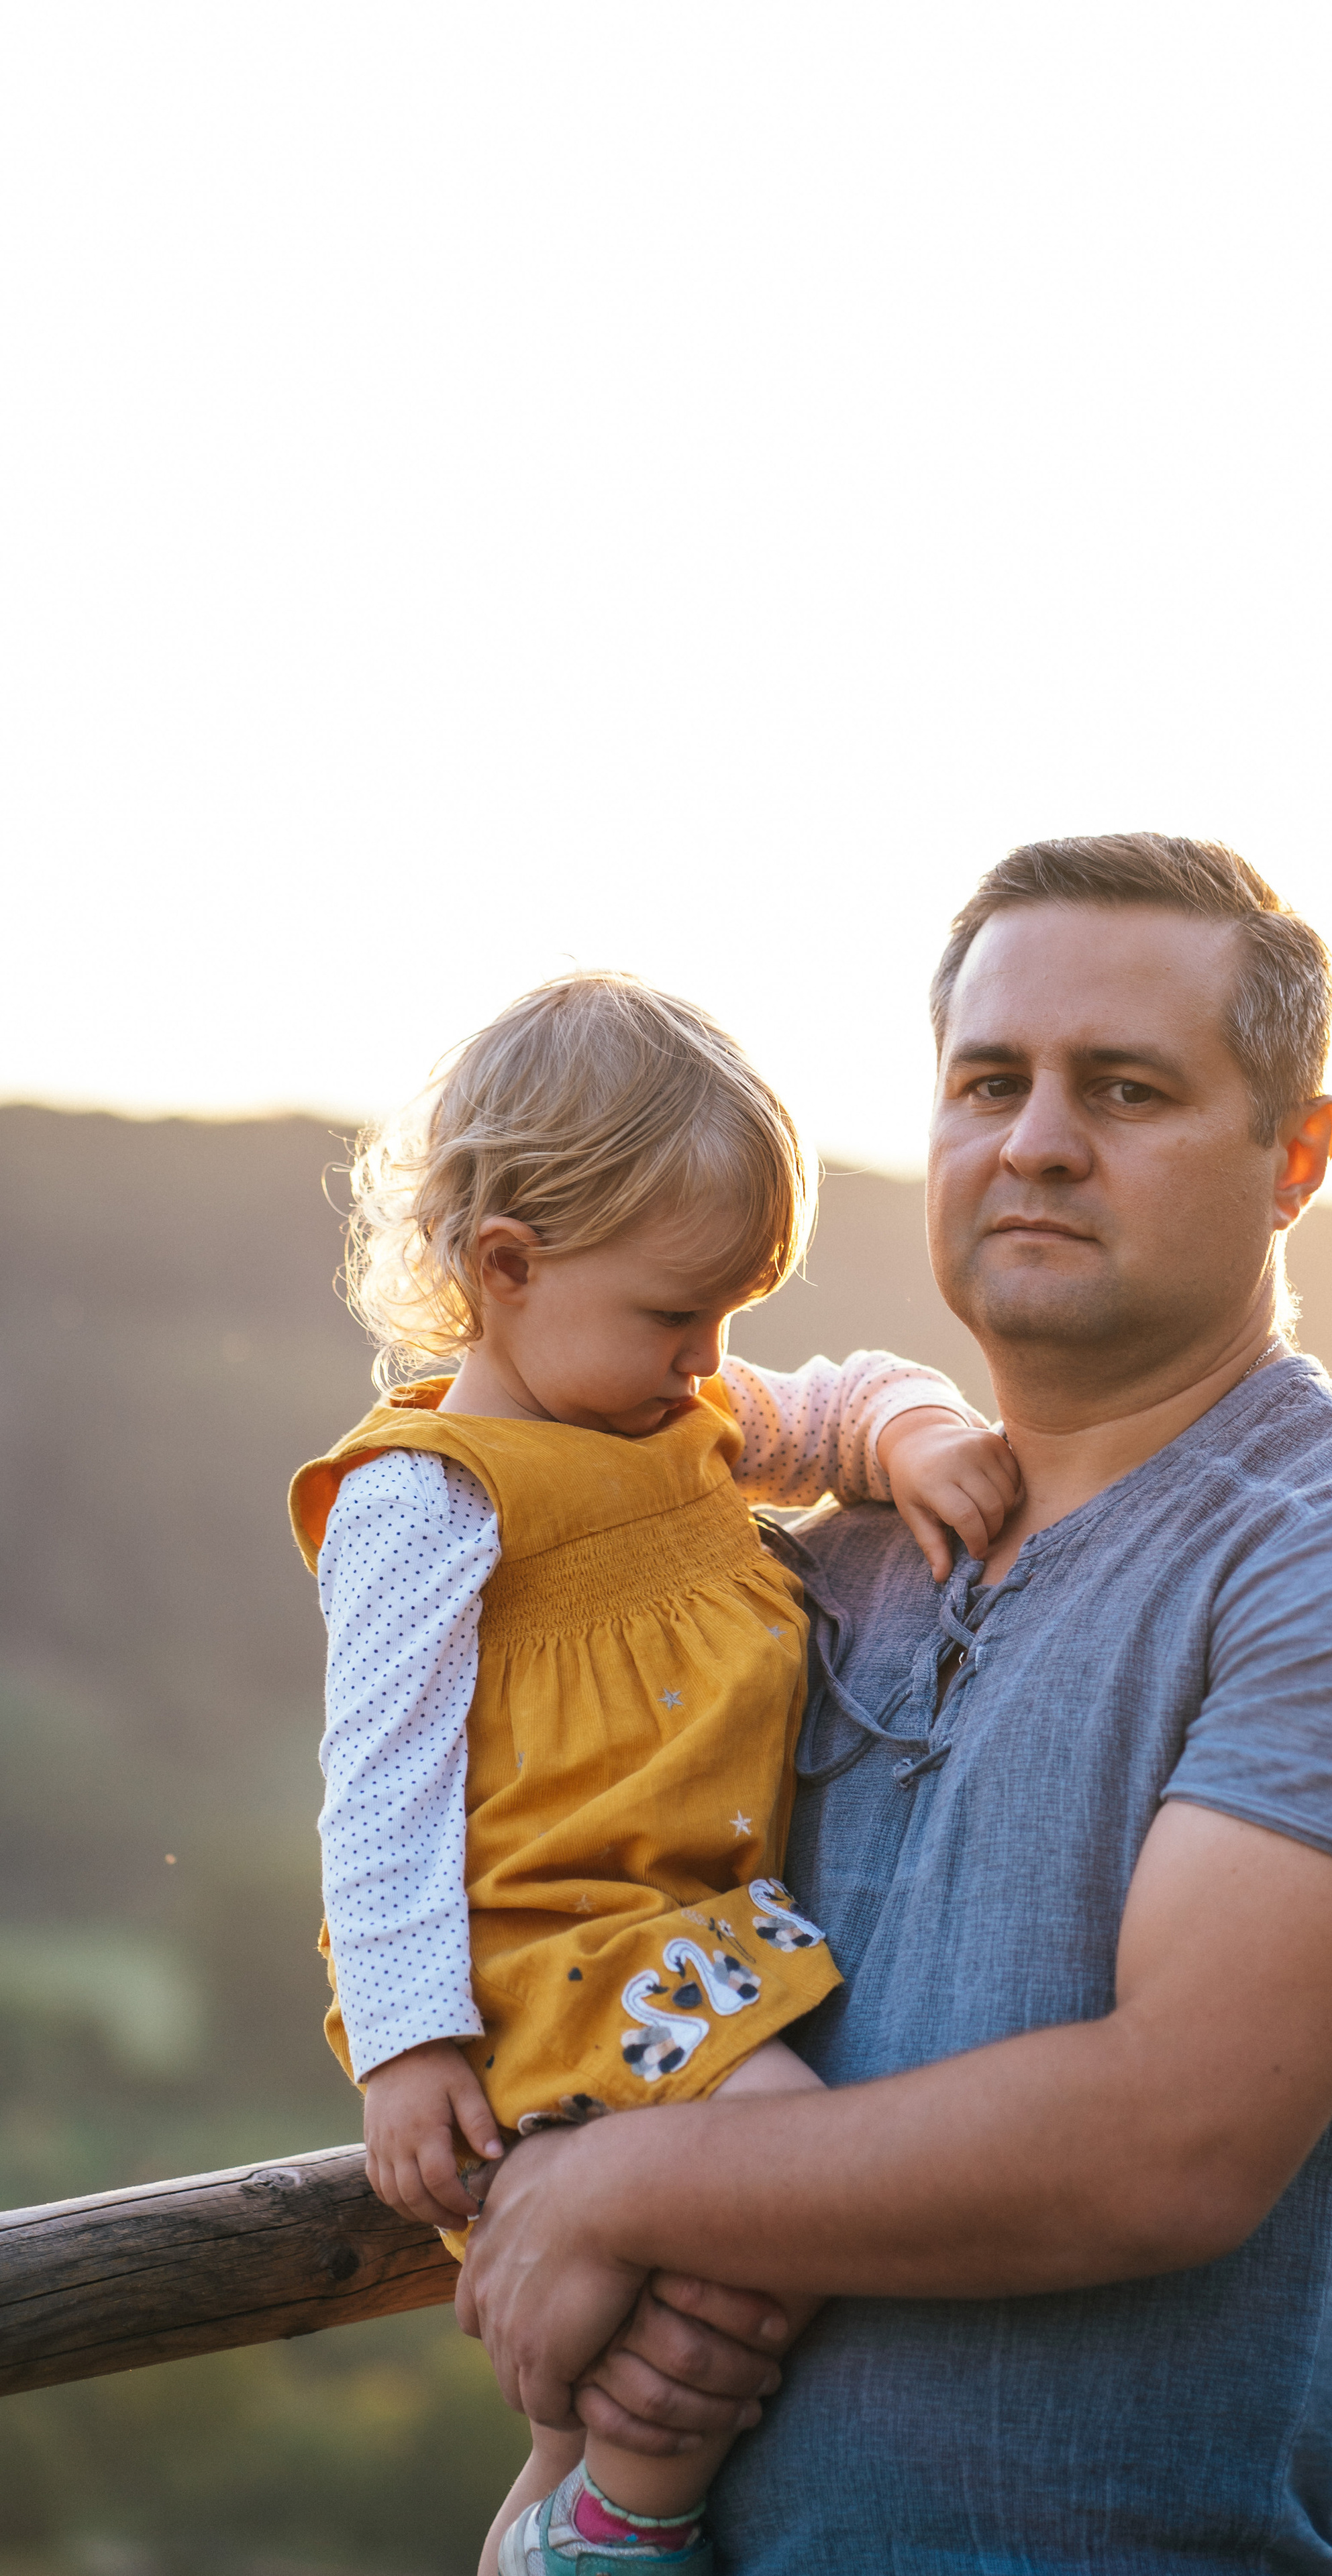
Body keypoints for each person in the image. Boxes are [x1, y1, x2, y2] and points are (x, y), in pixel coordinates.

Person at [453, 834, 1332, 2575]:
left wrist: (609, 2194)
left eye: (1126, 1088)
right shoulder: (819, 1562)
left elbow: (1165, 2145)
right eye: (991, 1081)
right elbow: (601, 1929)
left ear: (1296, 1159)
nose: (1037, 1138)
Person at [287, 971, 1021, 2574]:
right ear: (505, 1267)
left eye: (730, 1314)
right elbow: (382, 1788)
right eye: (675, 1312)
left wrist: (907, 1436)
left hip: (684, 1948)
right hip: (554, 1957)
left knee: (681, 2270)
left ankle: (553, 2525)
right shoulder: (435, 1500)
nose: (710, 1361)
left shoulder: (667, 1417)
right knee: (786, 2182)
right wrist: (407, 2048)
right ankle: (630, 2517)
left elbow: (829, 1406)